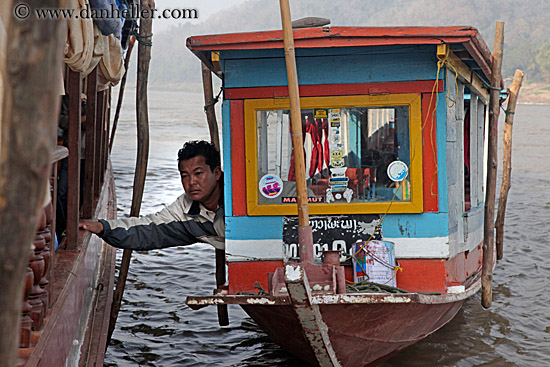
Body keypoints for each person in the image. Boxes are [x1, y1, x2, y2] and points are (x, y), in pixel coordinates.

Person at [79, 140, 224, 250]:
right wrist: (103, 227)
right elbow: (147, 229)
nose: (192, 182)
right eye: (185, 176)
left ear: (216, 173)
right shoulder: (185, 209)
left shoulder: (240, 199)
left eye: (199, 174)